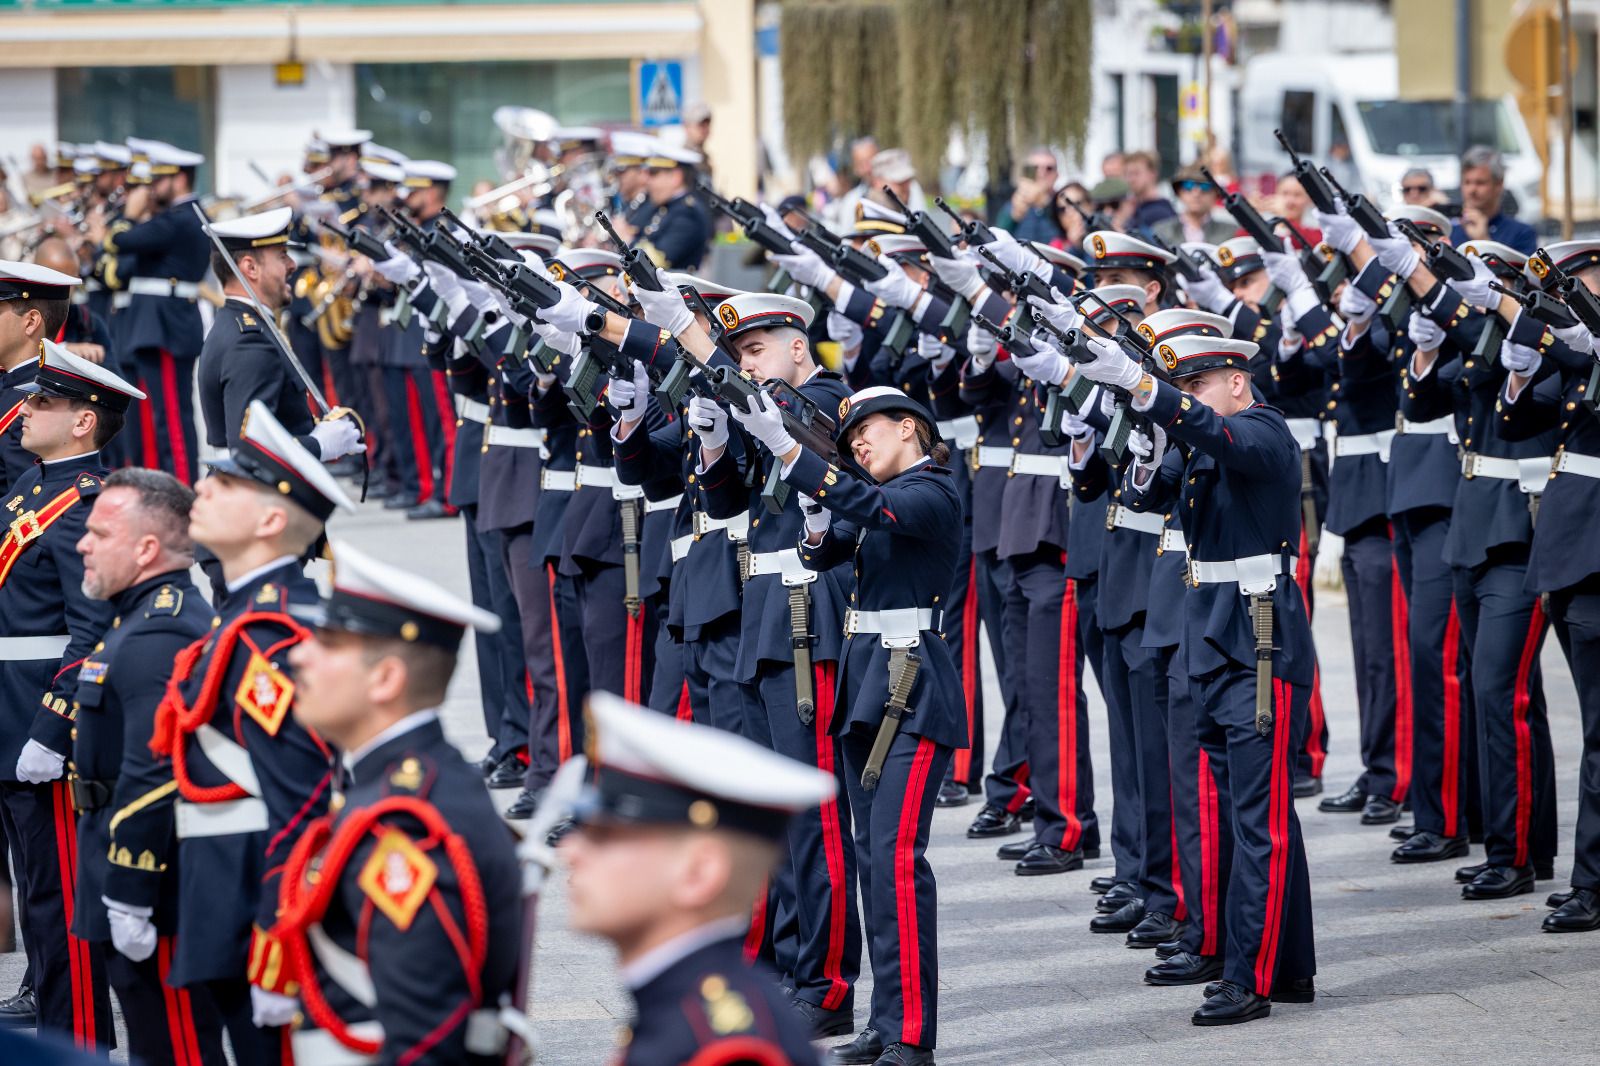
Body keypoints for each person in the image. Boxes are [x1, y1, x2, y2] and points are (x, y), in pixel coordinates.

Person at [1077, 331, 1317, 1026]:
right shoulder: (1204, 443)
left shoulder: (1264, 432)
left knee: (1259, 822)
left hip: (1257, 641)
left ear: (1235, 382)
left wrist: (1151, 392)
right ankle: (1289, 963)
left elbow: (1216, 433)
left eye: (1198, 385)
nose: (1189, 402)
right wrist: (1139, 433)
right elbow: (1143, 503)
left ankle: (1253, 975)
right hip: (1210, 636)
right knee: (1249, 812)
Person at [730, 384, 964, 1065]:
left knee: (894, 860)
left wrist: (788, 450)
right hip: (868, 680)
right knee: (870, 861)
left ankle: (913, 1034)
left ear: (911, 428)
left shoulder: (933, 490)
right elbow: (822, 551)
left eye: (871, 429)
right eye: (850, 433)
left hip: (911, 683)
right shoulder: (880, 495)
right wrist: (813, 505)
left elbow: (872, 507)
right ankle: (885, 1023)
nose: (859, 441)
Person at [145, 400, 354, 1065]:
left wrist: (276, 936)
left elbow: (303, 803)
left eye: (226, 484)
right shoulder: (246, 615)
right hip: (223, 885)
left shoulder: (273, 635)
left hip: (256, 899)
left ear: (270, 521)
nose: (200, 490)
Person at [271, 540, 523, 1063]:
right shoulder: (398, 784)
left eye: (329, 643)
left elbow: (424, 1043)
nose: (298, 655)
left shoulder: (406, 823)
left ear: (386, 679)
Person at [0, 340, 146, 1047]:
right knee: (35, 896)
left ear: (83, 421)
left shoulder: (86, 504)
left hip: (39, 727)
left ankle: (78, 1043)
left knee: (58, 903)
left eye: (42, 403)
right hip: (9, 715)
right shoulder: (31, 487)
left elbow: (92, 634)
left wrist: (49, 732)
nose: (23, 411)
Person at [562, 690, 837, 1066]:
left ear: (698, 873)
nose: (570, 852)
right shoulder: (681, 1012)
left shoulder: (719, 1048)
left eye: (606, 837)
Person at [72, 468, 226, 1065]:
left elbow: (153, 771)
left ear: (146, 549)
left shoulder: (158, 631)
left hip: (157, 886)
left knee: (177, 1045)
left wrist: (131, 891)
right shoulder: (139, 614)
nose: (84, 543)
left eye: (99, 533)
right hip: (127, 869)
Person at [198, 206, 365, 464]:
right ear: (250, 268)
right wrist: (319, 445)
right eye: (282, 255)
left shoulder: (241, 323)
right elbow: (249, 450)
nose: (292, 264)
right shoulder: (249, 343)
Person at [89, 140, 208, 483]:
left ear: (180, 179)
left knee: (171, 417)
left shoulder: (182, 219)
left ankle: (183, 490)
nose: (151, 189)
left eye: (159, 180)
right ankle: (158, 486)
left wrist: (127, 215)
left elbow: (119, 241)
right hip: (155, 325)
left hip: (167, 327)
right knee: (153, 418)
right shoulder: (173, 219)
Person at [637, 145, 713, 272]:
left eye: (654, 173)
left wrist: (624, 240)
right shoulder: (666, 207)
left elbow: (656, 261)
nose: (647, 181)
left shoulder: (688, 214)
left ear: (676, 177)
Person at [1450, 146, 1536, 255]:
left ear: (1499, 184)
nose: (1472, 190)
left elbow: (1521, 271)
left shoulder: (1522, 234)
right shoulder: (1450, 231)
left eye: (1480, 183)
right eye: (1467, 182)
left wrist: (1484, 241)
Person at [1152, 163, 1235, 246]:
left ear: (1215, 194)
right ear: (1179, 192)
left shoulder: (1231, 233)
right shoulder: (1161, 232)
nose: (1196, 193)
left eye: (1205, 186)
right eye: (1188, 185)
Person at [996, 148, 1064, 244]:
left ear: (1056, 175)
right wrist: (1014, 215)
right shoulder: (1013, 204)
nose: (1041, 173)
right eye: (1035, 168)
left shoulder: (1065, 205)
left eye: (1049, 168)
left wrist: (1046, 204)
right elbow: (998, 239)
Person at [1122, 150, 1177, 237]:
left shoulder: (1161, 212)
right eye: (1127, 174)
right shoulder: (1133, 208)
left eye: (1136, 173)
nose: (1130, 179)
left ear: (1153, 174)